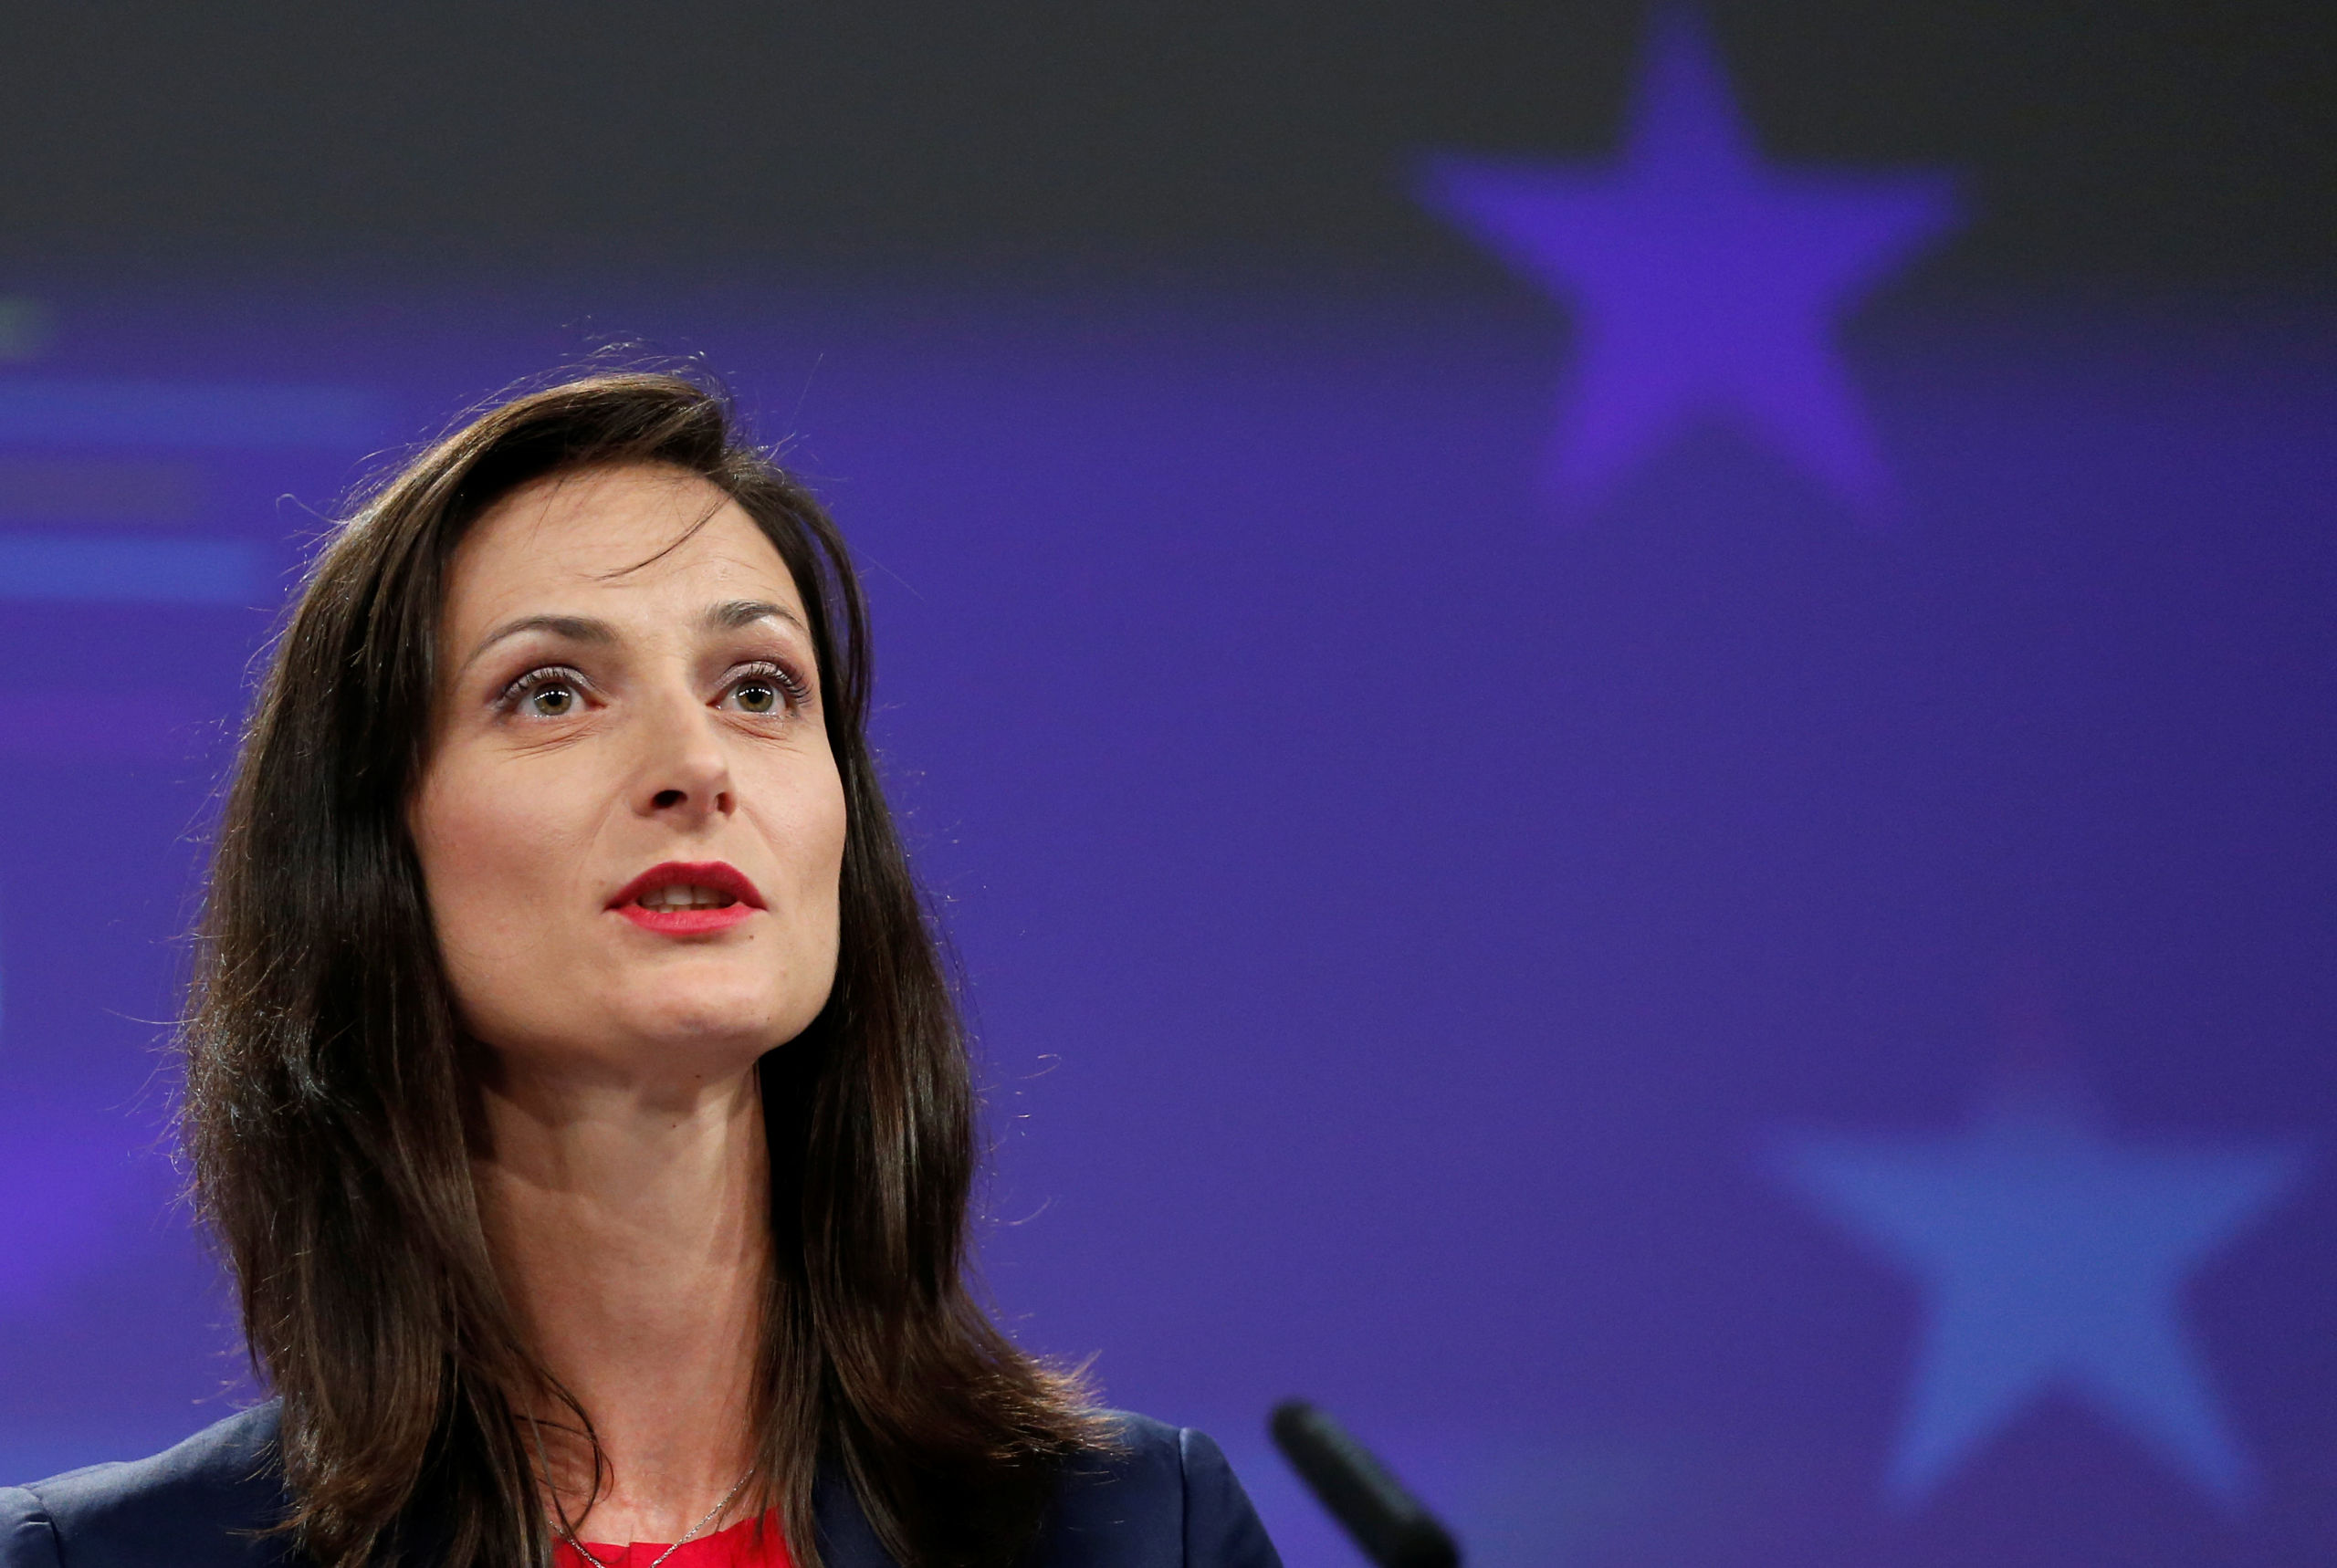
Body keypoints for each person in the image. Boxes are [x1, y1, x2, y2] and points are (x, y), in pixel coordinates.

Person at [0, 373, 1283, 1568]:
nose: (697, 764)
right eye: (553, 692)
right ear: (372, 849)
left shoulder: (1131, 1531)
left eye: (759, 689)